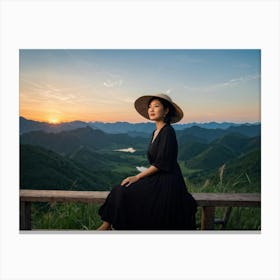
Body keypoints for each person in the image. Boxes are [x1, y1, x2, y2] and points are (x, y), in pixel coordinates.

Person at [97, 93, 197, 230]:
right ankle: (107, 225)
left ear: (166, 110)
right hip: (157, 178)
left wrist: (137, 176)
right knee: (120, 189)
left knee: (122, 190)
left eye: (156, 106)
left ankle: (106, 226)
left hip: (168, 181)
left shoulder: (168, 131)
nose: (151, 109)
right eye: (150, 107)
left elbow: (161, 163)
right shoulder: (155, 132)